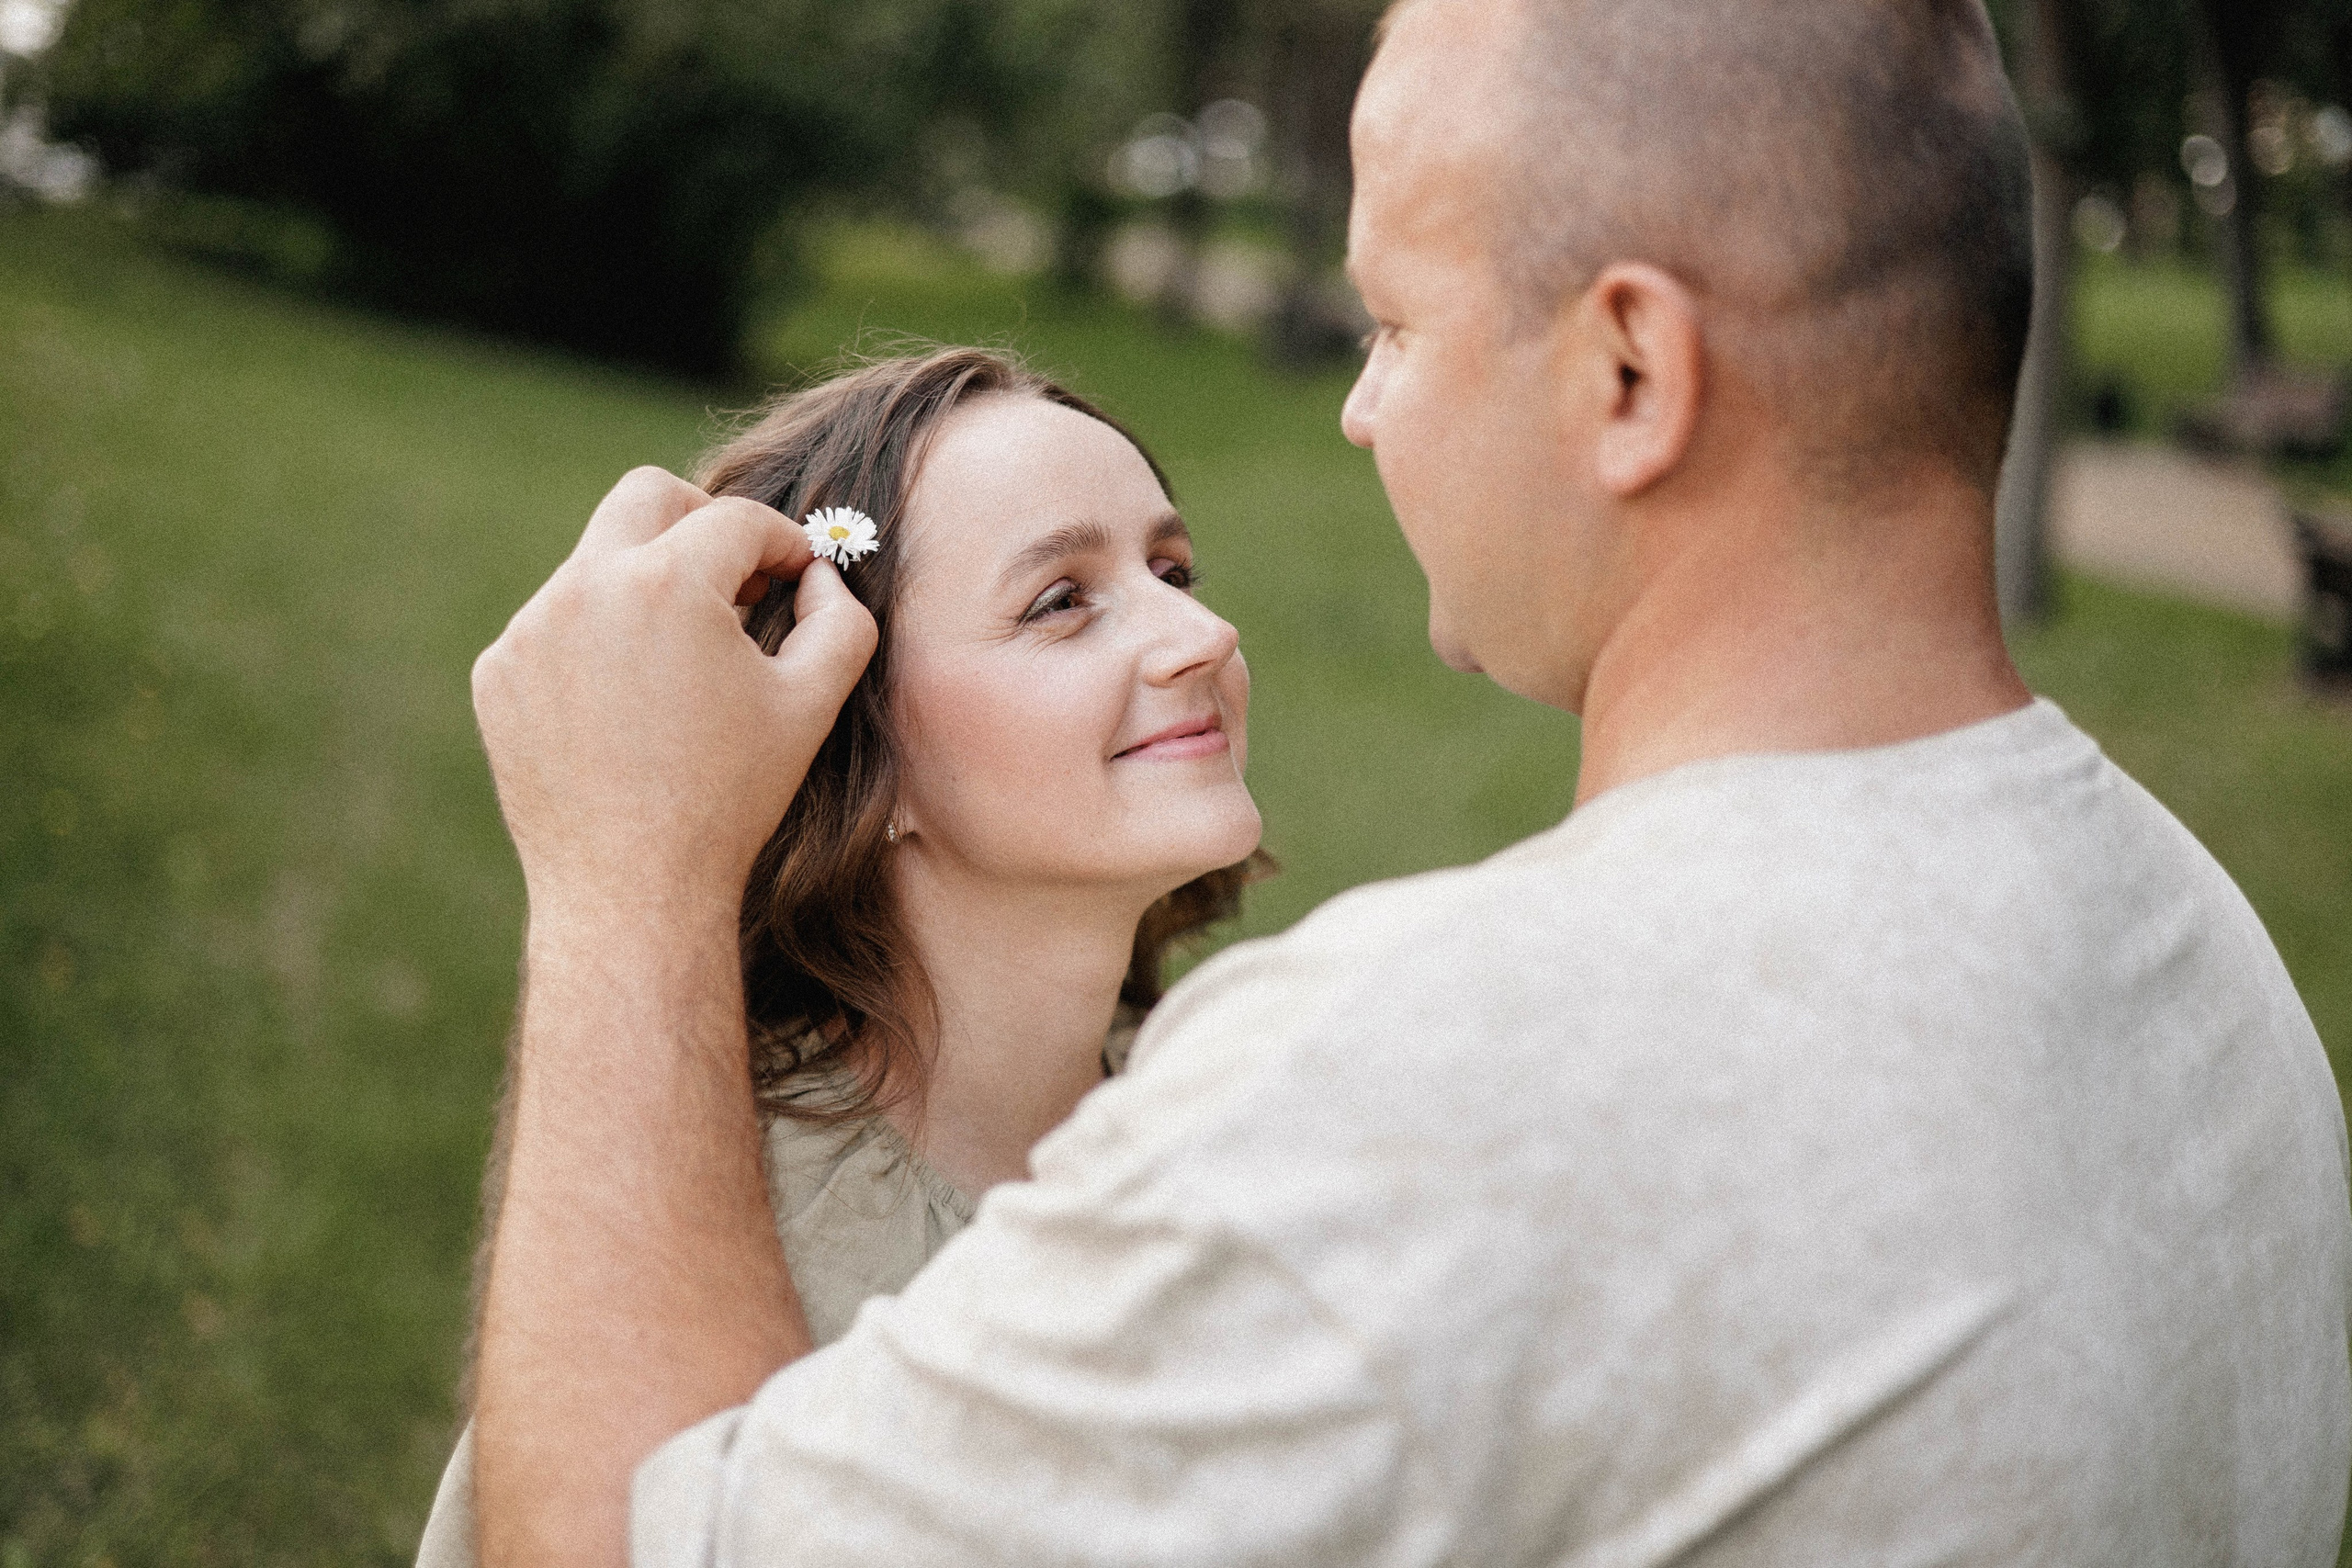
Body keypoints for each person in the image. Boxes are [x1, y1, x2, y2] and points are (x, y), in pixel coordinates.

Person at [463, 0, 2352, 1563]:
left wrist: (623, 868)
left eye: (1395, 319)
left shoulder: (1412, 1097)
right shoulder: (2210, 962)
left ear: (1626, 371)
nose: (1363, 405)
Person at [417, 348, 1268, 1564]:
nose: (1201, 632)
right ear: (853, 741)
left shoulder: (1235, 1119)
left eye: (1171, 566)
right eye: (1062, 600)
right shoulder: (721, 1223)